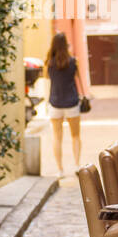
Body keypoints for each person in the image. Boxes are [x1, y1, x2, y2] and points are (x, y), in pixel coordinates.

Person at [45, 32, 89, 177]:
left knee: (57, 137)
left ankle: (60, 170)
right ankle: (77, 165)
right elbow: (79, 79)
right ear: (65, 45)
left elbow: (47, 80)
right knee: (75, 136)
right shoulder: (72, 62)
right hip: (71, 103)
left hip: (55, 102)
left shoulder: (49, 63)